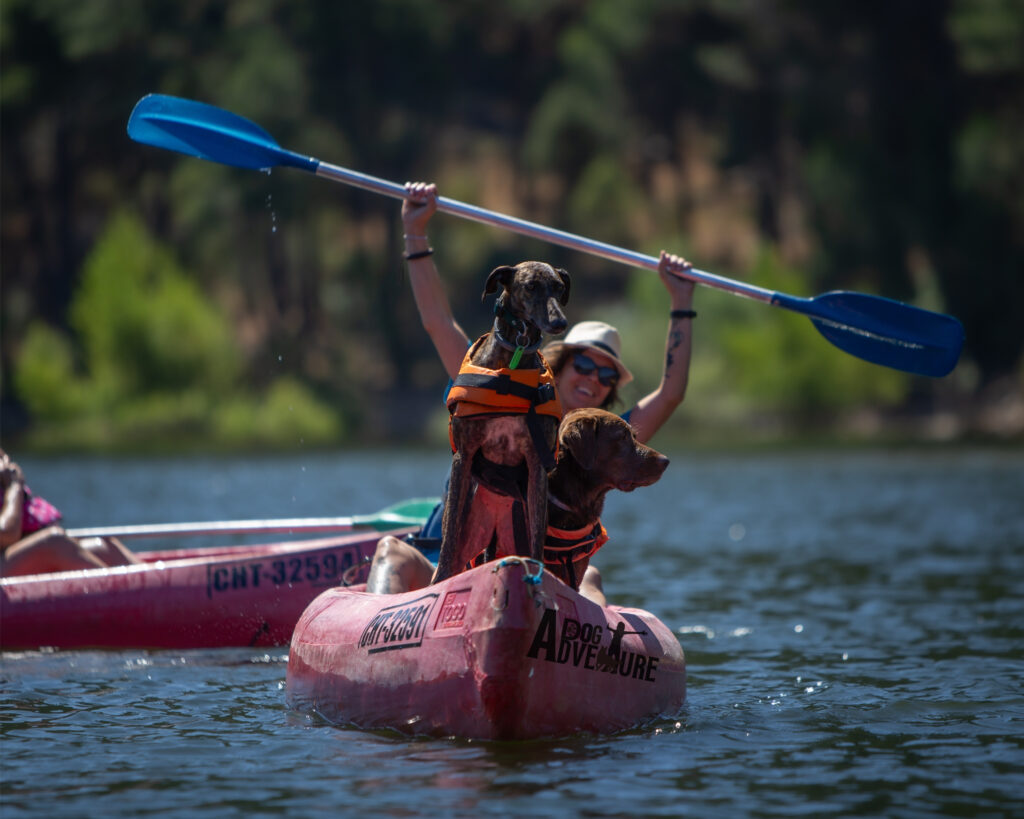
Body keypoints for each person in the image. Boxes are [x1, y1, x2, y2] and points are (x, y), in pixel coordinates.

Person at [365, 182, 696, 603]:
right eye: (585, 363)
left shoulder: (610, 441)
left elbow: (671, 393)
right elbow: (438, 323)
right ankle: (385, 628)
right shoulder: (498, 382)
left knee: (590, 576)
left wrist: (681, 300)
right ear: (560, 364)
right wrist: (415, 232)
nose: (593, 378)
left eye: (606, 375)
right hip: (444, 557)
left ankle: (580, 647)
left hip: (527, 575)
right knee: (391, 552)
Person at [0, 448, 139, 577]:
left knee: (103, 547)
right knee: (54, 542)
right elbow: (5, 535)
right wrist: (14, 486)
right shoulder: (12, 485)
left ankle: (154, 590)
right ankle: (122, 594)